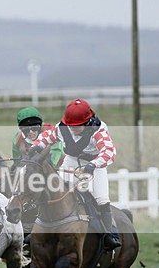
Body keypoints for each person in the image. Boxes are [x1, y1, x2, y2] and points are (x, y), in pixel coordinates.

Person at [29, 99, 121, 251]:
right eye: (70, 125)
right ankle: (38, 229)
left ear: (87, 122)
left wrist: (93, 164)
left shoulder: (98, 131)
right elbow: (46, 137)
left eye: (77, 126)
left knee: (101, 199)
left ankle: (109, 235)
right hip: (71, 162)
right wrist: (36, 146)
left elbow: (109, 152)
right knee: (54, 190)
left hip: (95, 164)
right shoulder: (62, 128)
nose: (72, 129)